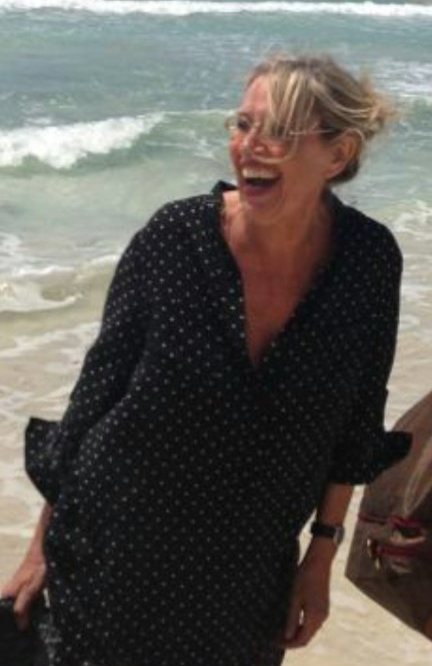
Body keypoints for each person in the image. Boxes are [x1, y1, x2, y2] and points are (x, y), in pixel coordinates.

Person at [2, 53, 410, 666]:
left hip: (247, 578)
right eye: (242, 125)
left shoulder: (368, 261)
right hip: (116, 548)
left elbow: (357, 424)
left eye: (278, 131)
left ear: (338, 154)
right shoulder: (175, 238)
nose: (250, 145)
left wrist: (321, 554)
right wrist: (40, 547)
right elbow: (95, 398)